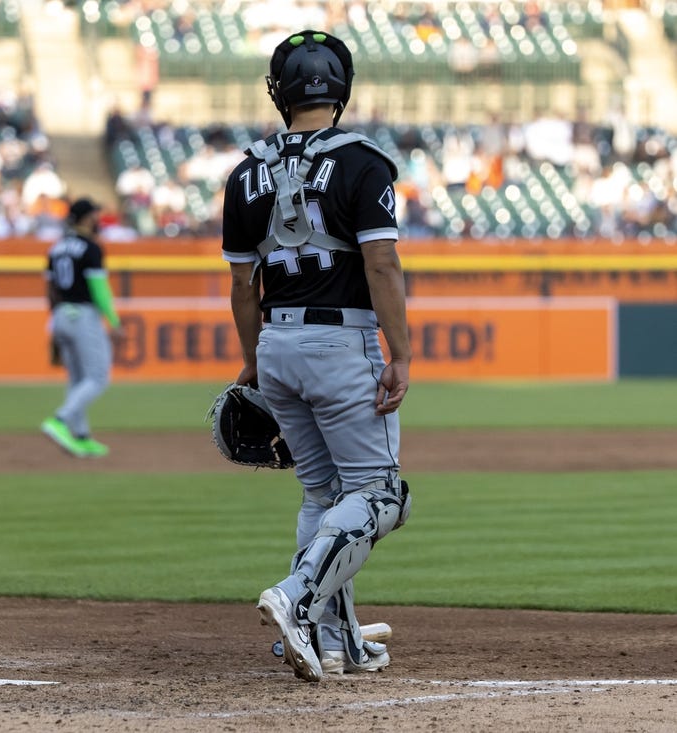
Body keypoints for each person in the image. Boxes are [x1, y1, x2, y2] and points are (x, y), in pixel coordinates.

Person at [220, 30, 412, 683]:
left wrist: (252, 362)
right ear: (342, 87)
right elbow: (382, 264)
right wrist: (402, 353)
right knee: (382, 494)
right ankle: (298, 599)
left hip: (276, 341)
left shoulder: (246, 171)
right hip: (341, 339)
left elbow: (243, 287)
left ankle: (338, 644)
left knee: (323, 492)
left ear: (279, 91)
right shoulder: (365, 162)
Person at [41, 198, 124, 458]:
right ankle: (60, 420)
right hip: (83, 315)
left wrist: (55, 321)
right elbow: (99, 290)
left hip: (61, 314)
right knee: (98, 377)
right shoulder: (90, 247)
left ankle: (81, 436)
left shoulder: (56, 248)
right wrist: (114, 321)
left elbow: (50, 289)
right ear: (87, 218)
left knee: (77, 379)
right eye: (95, 215)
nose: (97, 220)